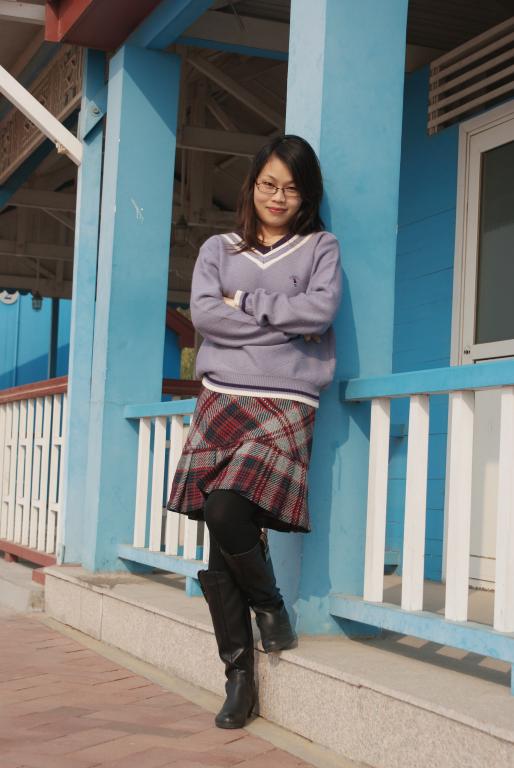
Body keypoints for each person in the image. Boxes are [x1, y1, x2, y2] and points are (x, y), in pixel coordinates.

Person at [167, 134, 342, 730]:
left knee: (224, 510)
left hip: (287, 400)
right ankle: (241, 670)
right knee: (220, 525)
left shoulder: (320, 247)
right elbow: (204, 315)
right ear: (252, 185)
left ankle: (264, 618)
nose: (278, 196)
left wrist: (242, 301)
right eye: (269, 184)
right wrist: (284, 324)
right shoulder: (217, 248)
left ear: (306, 195)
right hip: (223, 397)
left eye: (291, 188)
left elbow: (320, 313)